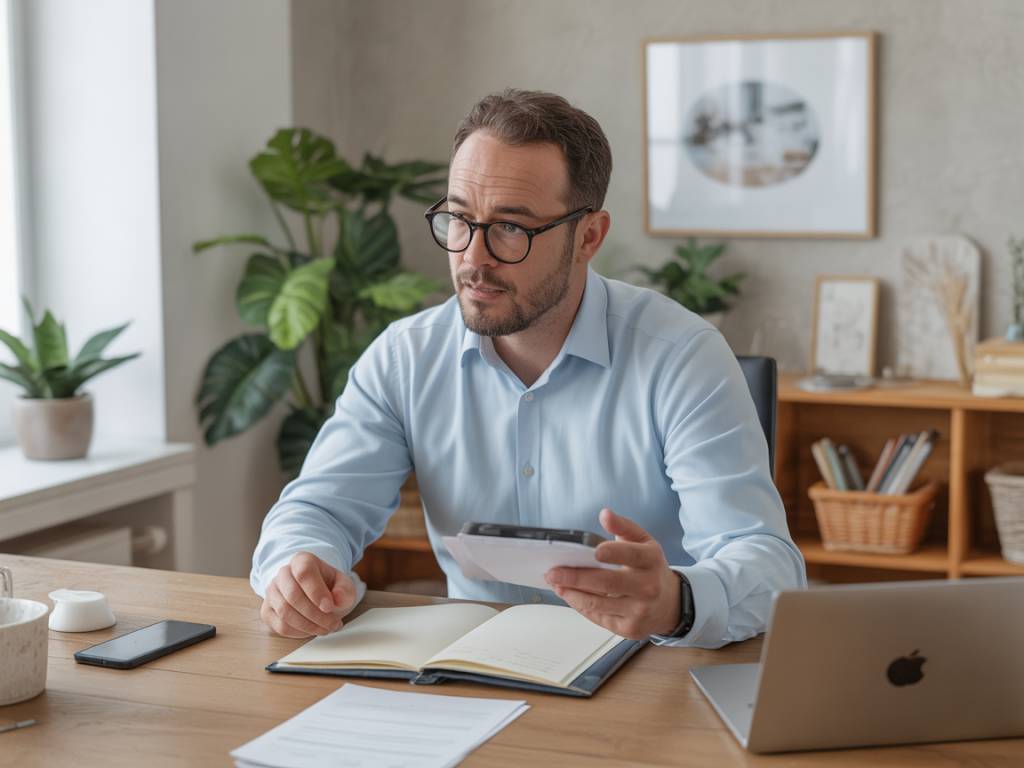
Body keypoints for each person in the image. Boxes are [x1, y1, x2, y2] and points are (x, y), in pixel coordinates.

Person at [250, 89, 806, 649]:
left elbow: (766, 564)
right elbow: (317, 508)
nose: (472, 257)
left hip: (649, 676)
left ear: (588, 236)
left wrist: (676, 601)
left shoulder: (681, 356)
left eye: (511, 228)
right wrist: (299, 568)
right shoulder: (405, 357)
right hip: (475, 671)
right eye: (459, 219)